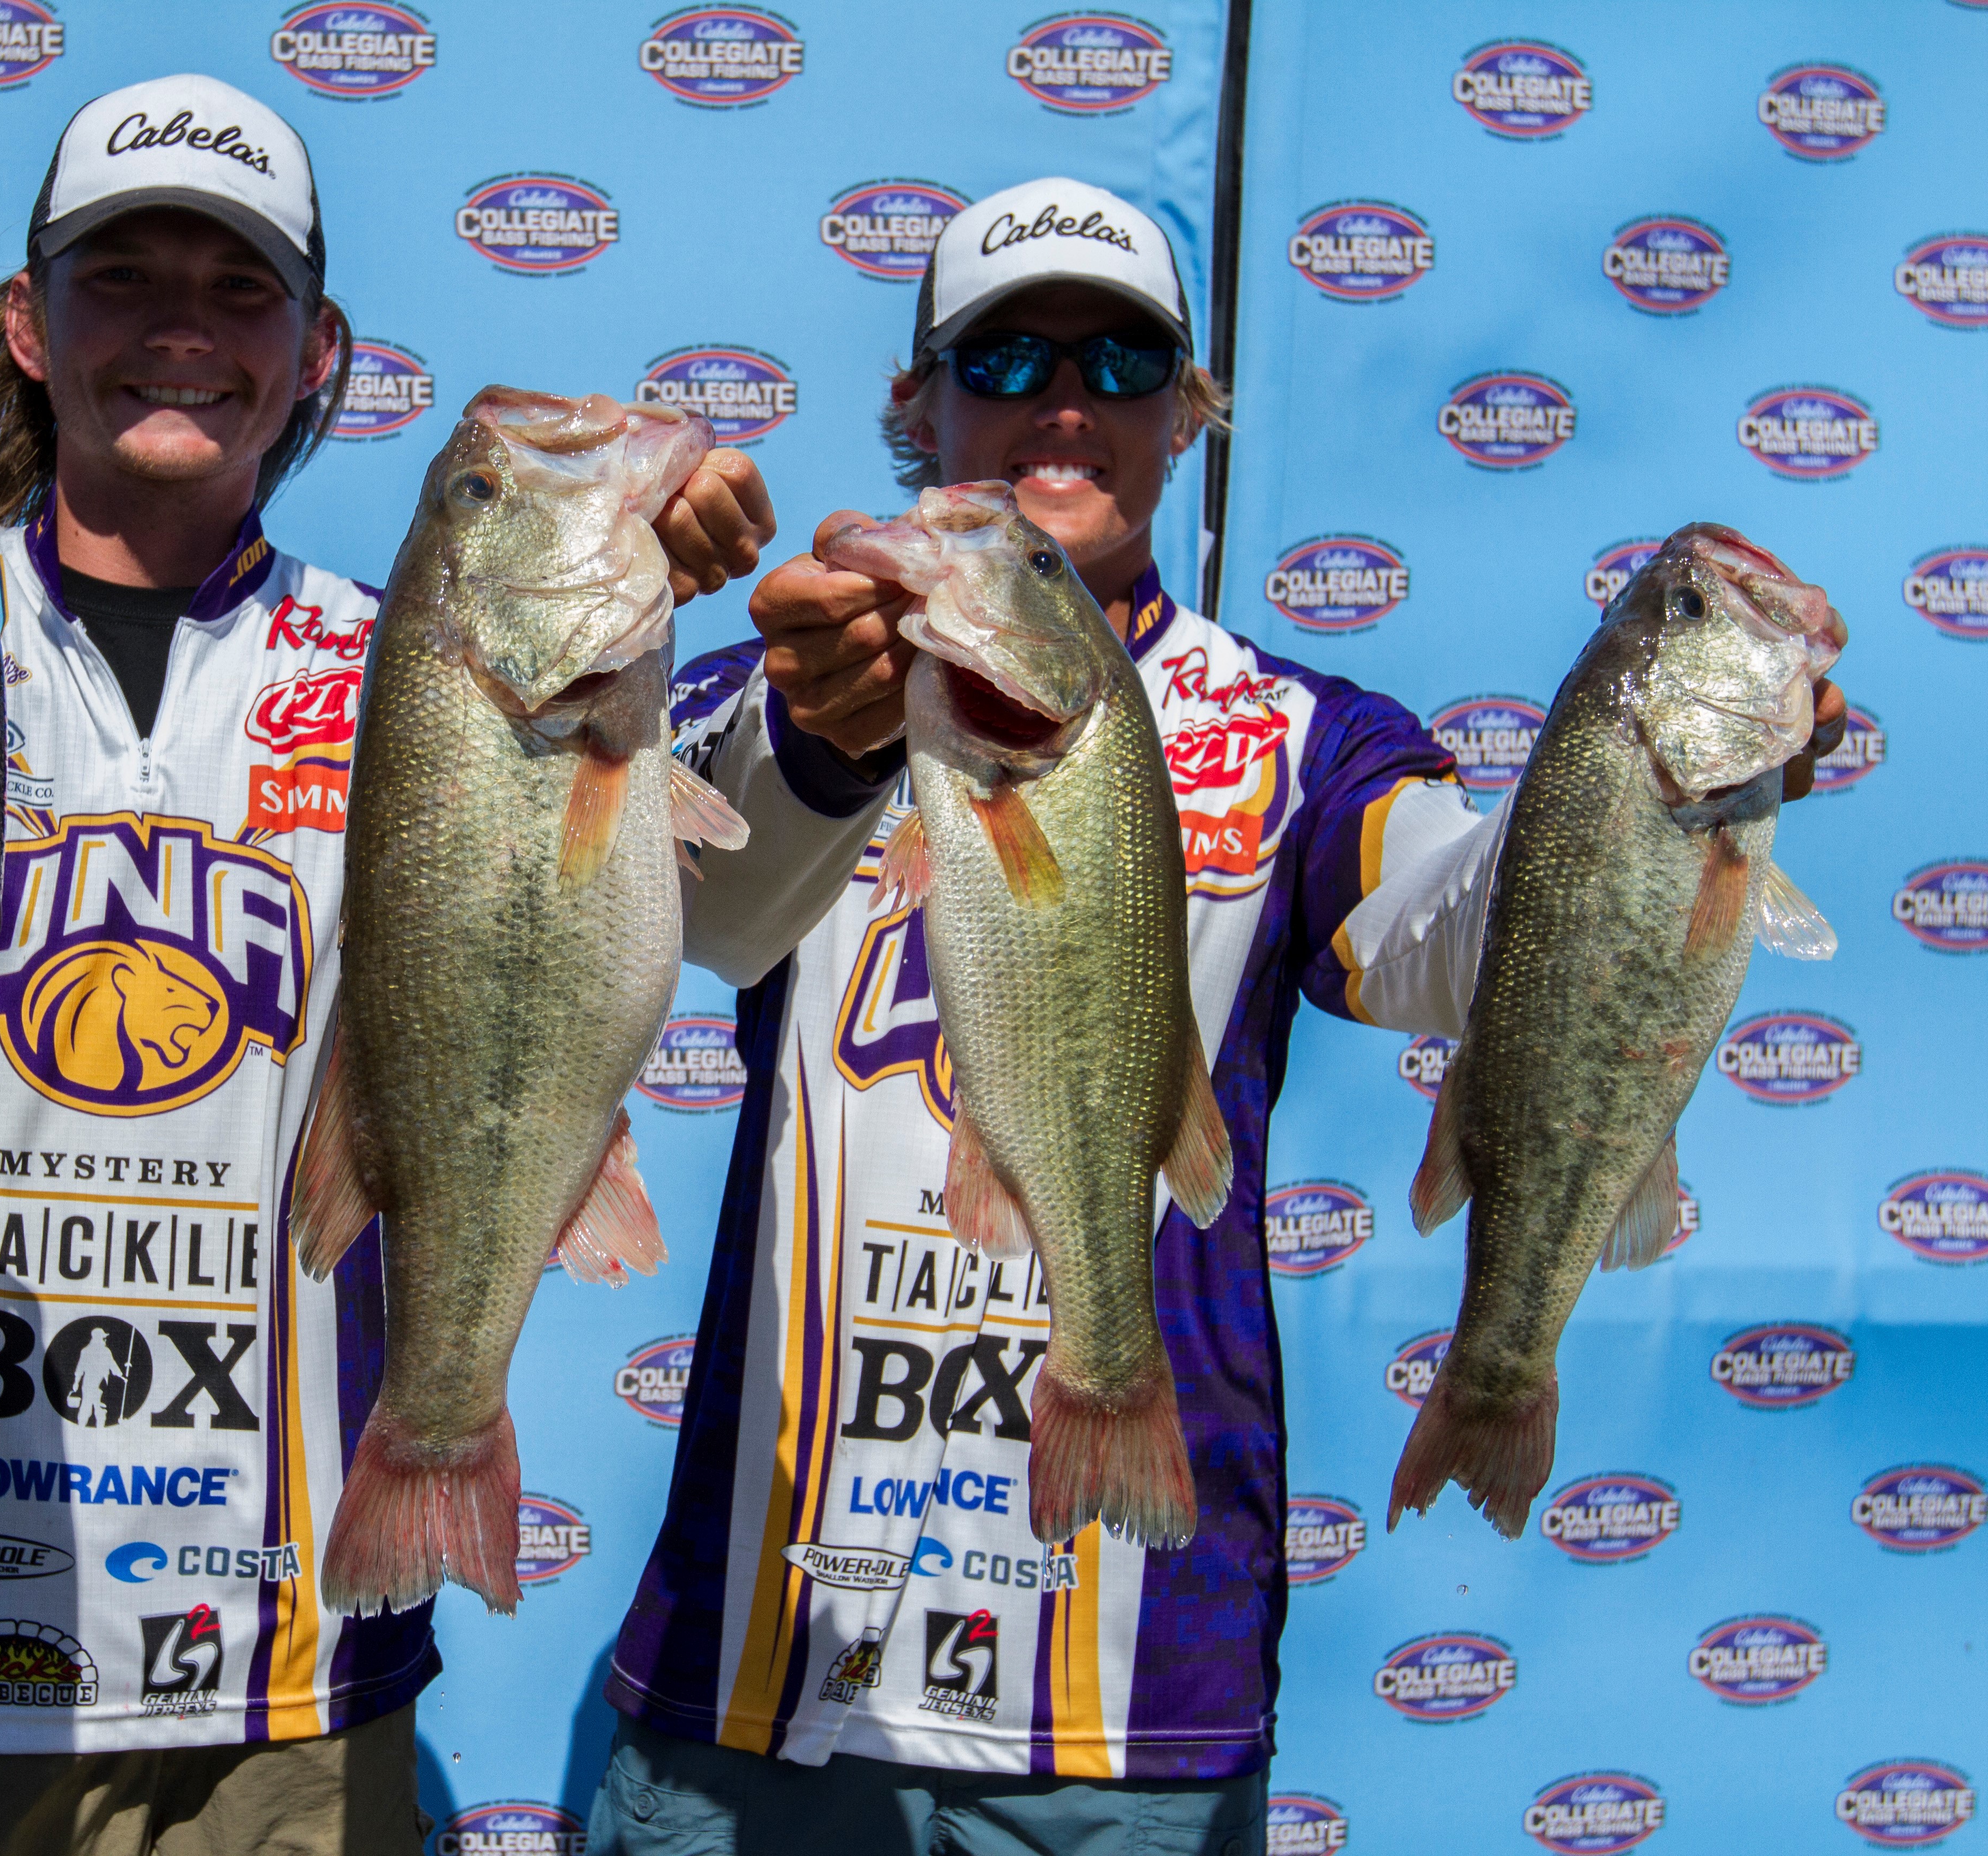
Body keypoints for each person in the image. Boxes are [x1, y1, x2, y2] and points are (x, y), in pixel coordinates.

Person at [0, 73, 779, 1856]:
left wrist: (729, 642)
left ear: (313, 346)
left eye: (239, 288)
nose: (180, 333)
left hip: (279, 1686)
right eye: (122, 279)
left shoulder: (420, 661)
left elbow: (725, 902)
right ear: (27, 331)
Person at [601, 175, 1847, 1853]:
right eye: (1005, 355)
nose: (1064, 400)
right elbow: (701, 906)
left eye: (1124, 366)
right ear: (918, 405)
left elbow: (1442, 934)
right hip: (762, 1661)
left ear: (1190, 418)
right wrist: (825, 746)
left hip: (1129, 1682)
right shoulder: (790, 671)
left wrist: (1637, 803)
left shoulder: (1297, 726)